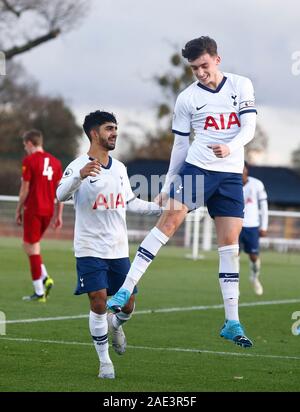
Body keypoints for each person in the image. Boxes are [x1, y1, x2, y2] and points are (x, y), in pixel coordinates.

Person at [108, 36, 257, 348]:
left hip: (230, 177)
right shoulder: (187, 98)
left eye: (203, 65)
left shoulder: (241, 85)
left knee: (230, 245)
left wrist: (229, 147)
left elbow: (249, 128)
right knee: (168, 223)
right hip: (197, 169)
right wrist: (166, 185)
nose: (200, 72)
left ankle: (232, 321)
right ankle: (126, 287)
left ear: (217, 58)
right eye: (194, 68)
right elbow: (180, 145)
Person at [56, 110, 161, 379]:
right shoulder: (78, 165)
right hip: (89, 248)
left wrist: (160, 208)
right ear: (94, 133)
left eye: (115, 128)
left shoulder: (121, 168)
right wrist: (79, 175)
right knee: (98, 301)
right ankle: (105, 363)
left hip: (118, 250)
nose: (115, 133)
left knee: (127, 305)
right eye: (109, 128)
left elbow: (130, 203)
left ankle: (117, 325)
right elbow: (59, 195)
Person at [15, 129, 63, 302]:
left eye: (24, 145)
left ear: (29, 143)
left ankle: (39, 291)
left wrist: (18, 209)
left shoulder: (29, 161)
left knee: (32, 248)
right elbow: (61, 192)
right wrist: (59, 215)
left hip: (33, 209)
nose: (25, 148)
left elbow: (25, 189)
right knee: (29, 246)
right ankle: (44, 278)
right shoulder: (56, 163)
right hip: (48, 211)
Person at [240, 162, 268, 296]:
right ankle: (233, 286)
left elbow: (264, 207)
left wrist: (264, 226)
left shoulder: (257, 184)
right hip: (235, 225)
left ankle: (254, 277)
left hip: (252, 227)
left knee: (253, 257)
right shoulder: (231, 183)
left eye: (242, 167)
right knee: (234, 256)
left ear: (246, 169)